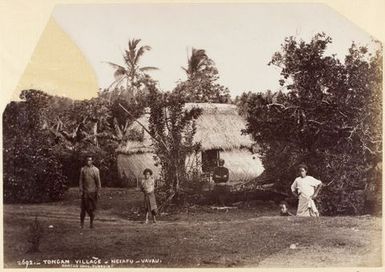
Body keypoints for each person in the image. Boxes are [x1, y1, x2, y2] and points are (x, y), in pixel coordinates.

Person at [79, 156, 101, 229]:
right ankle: (81, 224)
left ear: (92, 161)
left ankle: (91, 224)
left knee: (91, 209)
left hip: (92, 193)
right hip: (85, 193)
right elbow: (81, 181)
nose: (89, 161)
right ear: (86, 161)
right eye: (87, 160)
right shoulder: (83, 169)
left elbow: (98, 182)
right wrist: (81, 190)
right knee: (83, 209)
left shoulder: (96, 170)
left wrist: (98, 192)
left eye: (90, 160)